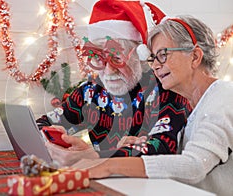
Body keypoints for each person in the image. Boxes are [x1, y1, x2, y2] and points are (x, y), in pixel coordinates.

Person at [73, 15, 233, 196]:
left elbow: (194, 165)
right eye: (153, 58)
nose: (156, 66)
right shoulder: (191, 105)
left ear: (195, 57)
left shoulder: (224, 97)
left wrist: (109, 165)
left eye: (163, 55)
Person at [37, 0, 191, 166]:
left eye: (117, 58)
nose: (109, 71)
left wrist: (96, 156)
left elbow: (163, 147)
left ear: (140, 56)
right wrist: (54, 138)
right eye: (99, 58)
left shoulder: (167, 88)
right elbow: (43, 123)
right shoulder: (90, 91)